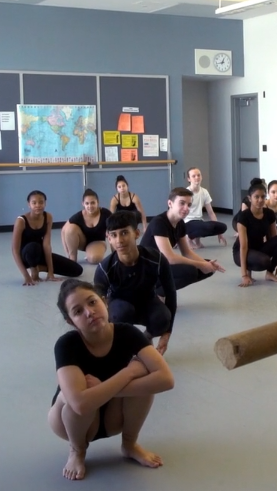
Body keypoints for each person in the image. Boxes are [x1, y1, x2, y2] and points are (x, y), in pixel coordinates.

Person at [48, 279, 174, 481]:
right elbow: (80, 405)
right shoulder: (67, 344)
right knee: (72, 396)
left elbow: (166, 379)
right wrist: (128, 373)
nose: (89, 312)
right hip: (71, 423)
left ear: (105, 302)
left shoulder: (127, 333)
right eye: (78, 311)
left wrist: (108, 389)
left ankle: (130, 444)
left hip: (112, 418)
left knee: (146, 380)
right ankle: (77, 450)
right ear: (71, 322)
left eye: (92, 302)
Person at [95, 211, 177, 355]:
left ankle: (145, 339)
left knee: (163, 318)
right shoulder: (105, 268)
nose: (119, 240)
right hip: (119, 306)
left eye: (124, 233)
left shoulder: (156, 259)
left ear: (137, 233)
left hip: (148, 302)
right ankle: (125, 343)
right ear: (108, 238)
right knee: (121, 311)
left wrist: (167, 333)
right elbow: (97, 303)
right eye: (113, 235)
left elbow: (170, 293)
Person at [139, 187, 224, 290]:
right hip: (146, 270)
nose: (186, 208)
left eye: (189, 205)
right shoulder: (159, 223)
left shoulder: (180, 224)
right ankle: (157, 295)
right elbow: (170, 258)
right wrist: (201, 264)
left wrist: (207, 264)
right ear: (170, 203)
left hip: (160, 265)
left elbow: (187, 252)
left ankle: (160, 293)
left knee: (207, 268)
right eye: (182, 203)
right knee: (191, 271)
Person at [12, 191, 83, 286]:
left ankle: (39, 267)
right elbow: (15, 250)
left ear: (45, 203)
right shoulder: (21, 221)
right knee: (33, 247)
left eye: (41, 202)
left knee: (77, 270)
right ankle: (33, 269)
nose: (38, 205)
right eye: (34, 203)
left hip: (39, 254)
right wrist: (26, 276)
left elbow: (46, 245)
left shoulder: (48, 217)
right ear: (28, 204)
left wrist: (51, 272)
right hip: (26, 256)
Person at [234, 180, 277, 286]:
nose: (260, 200)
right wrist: (244, 276)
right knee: (264, 261)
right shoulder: (243, 216)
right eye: (256, 197)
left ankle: (270, 272)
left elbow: (275, 239)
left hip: (259, 248)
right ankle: (248, 271)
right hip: (241, 251)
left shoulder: (269, 214)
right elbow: (243, 246)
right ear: (250, 198)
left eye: (263, 197)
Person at [62, 189, 111, 264]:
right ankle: (73, 259)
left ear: (98, 202)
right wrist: (67, 253)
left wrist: (116, 255)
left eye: (92, 203)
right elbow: (63, 231)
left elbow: (115, 231)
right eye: (87, 203)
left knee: (95, 259)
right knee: (70, 229)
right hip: (82, 242)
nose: (90, 206)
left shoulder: (106, 213)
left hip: (98, 241)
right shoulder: (79, 215)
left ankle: (90, 254)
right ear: (83, 204)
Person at [183, 167, 228, 249]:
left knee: (222, 227)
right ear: (189, 179)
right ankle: (187, 238)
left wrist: (219, 233)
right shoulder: (186, 193)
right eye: (193, 176)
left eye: (198, 175)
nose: (197, 177)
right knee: (205, 226)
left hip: (199, 221)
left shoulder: (204, 192)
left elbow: (210, 212)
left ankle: (197, 241)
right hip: (187, 222)